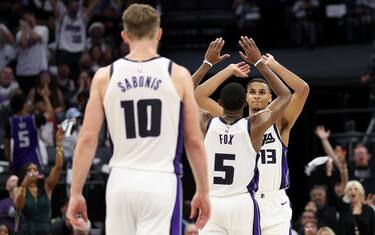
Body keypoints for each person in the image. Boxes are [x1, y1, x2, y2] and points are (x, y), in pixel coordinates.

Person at [67, 4, 210, 235]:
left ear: (124, 36)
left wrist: (75, 192)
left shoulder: (104, 76)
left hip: (120, 181)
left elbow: (87, 139)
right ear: (159, 33)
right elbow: (193, 140)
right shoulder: (178, 74)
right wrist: (203, 190)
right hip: (161, 181)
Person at [195, 45, 309, 234]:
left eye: (262, 92)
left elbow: (302, 89)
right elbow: (198, 95)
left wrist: (272, 65)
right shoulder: (237, 124)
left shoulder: (278, 122)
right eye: (253, 92)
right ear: (245, 98)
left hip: (273, 202)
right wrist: (229, 69)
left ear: (270, 97)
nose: (257, 96)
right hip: (244, 200)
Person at [14, 129, 64, 235]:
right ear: (24, 174)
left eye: (35, 169)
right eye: (29, 170)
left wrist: (59, 144)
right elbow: (19, 207)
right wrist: (24, 184)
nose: (32, 172)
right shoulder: (19, 190)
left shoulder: (47, 187)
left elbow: (58, 167)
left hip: (46, 231)